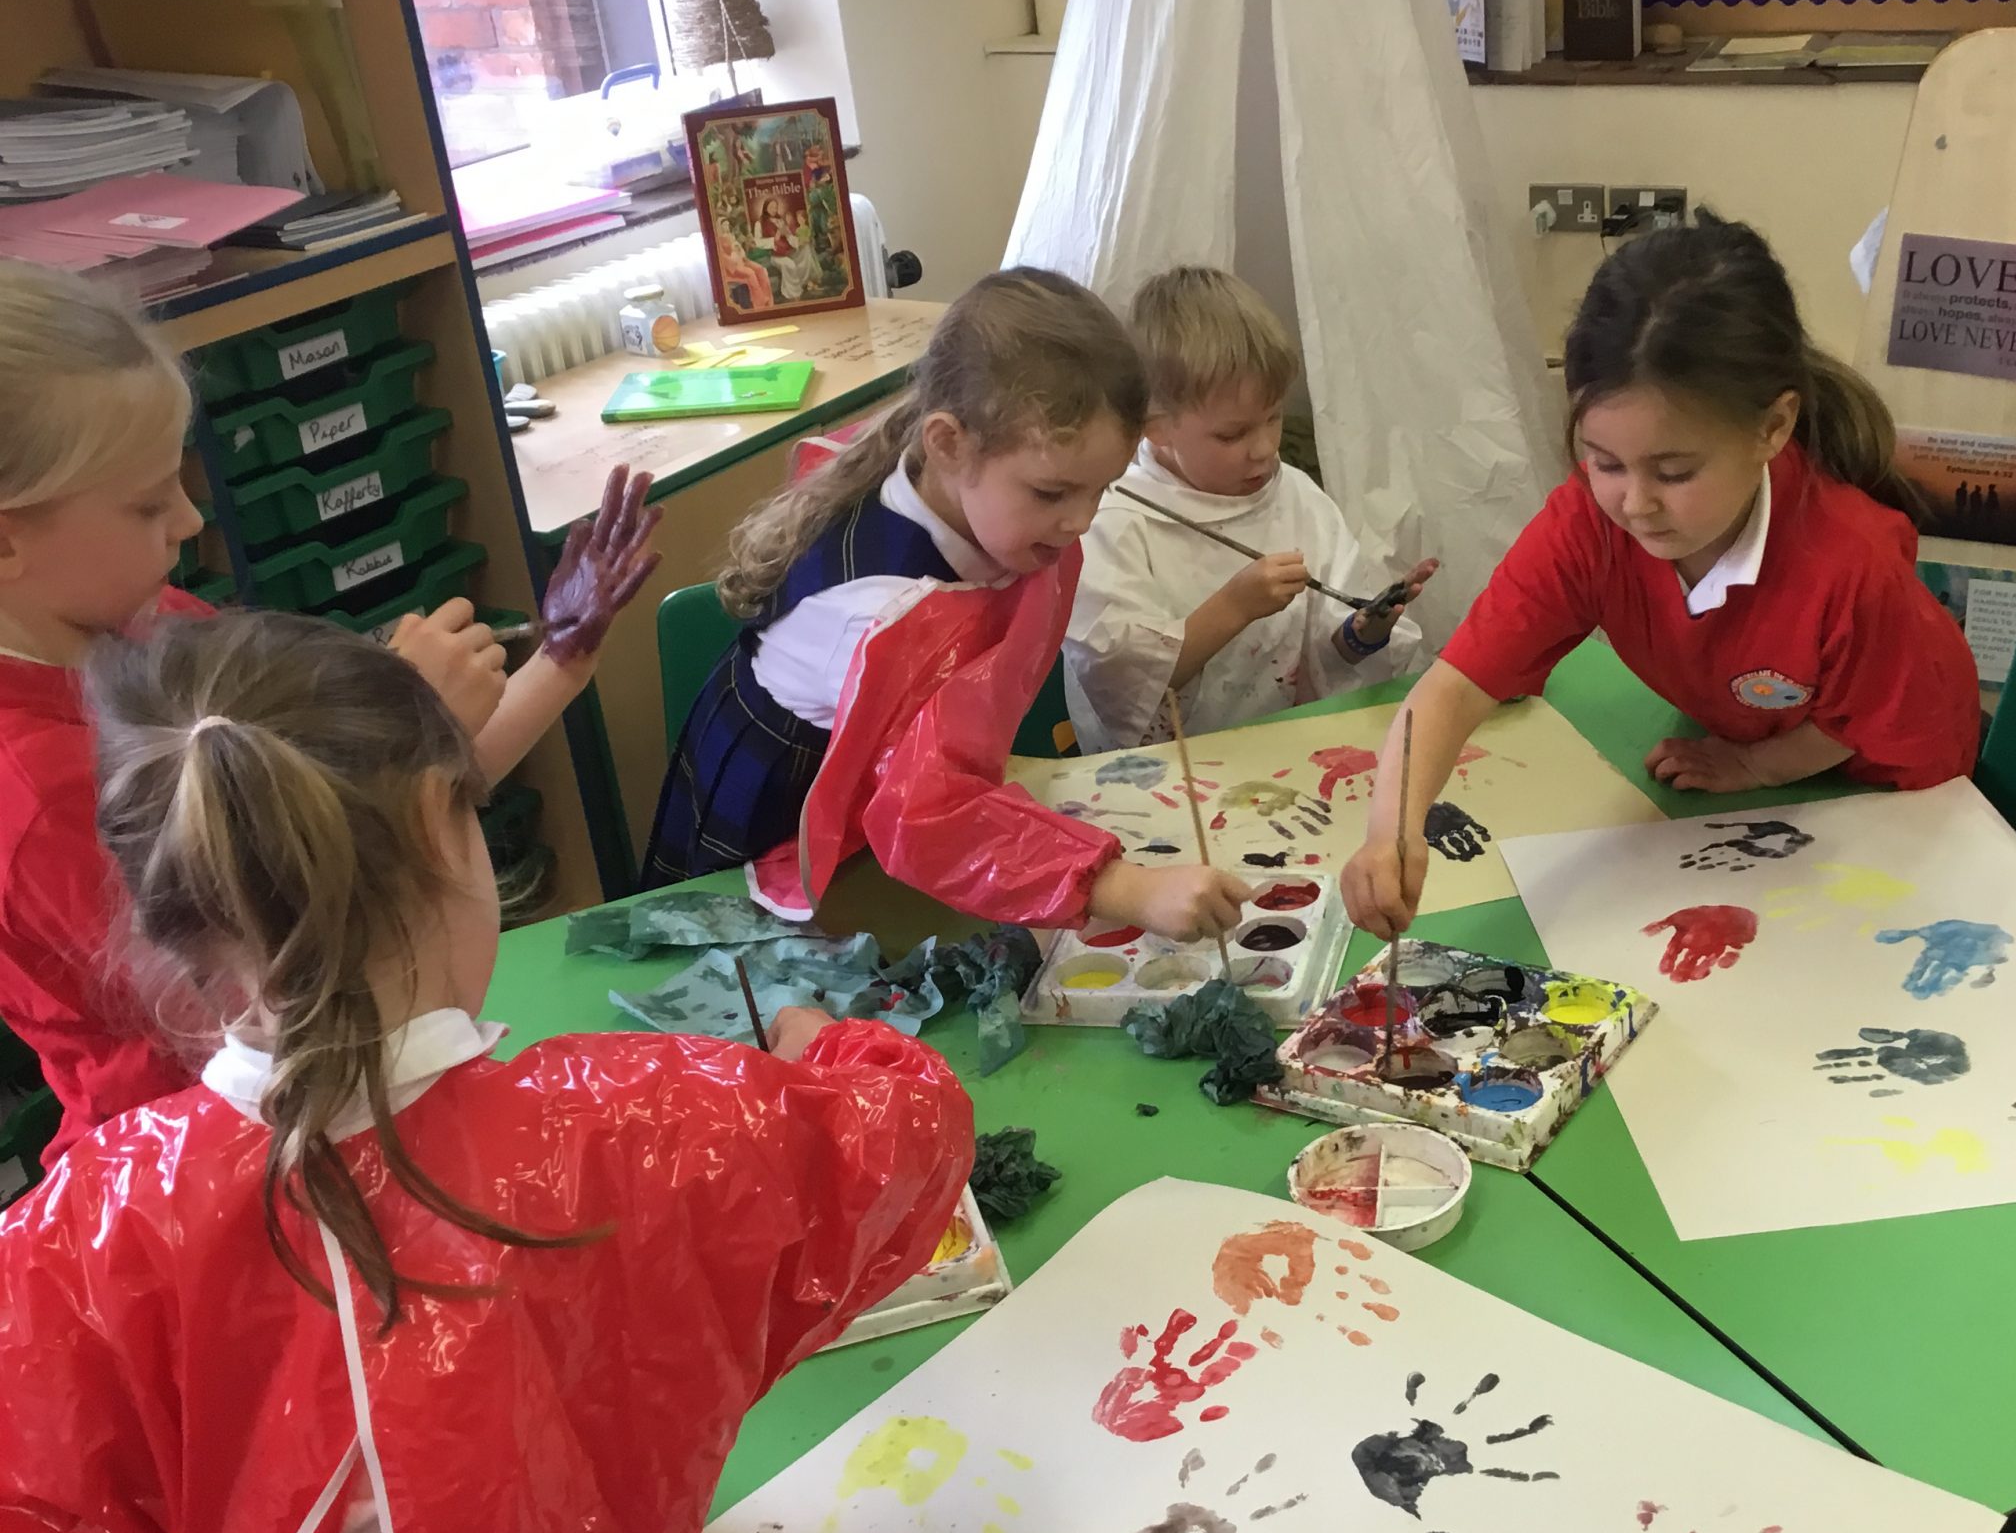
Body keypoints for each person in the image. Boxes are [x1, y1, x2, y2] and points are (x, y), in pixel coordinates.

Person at [0, 610, 974, 1533]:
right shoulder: (634, 1127)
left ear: (174, 913)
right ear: (439, 819)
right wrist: (835, 1048)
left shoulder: (98, 1210)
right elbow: (906, 1143)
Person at [0, 261, 663, 1168]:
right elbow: (272, 996)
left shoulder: (162, 627)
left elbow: (399, 815)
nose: (190, 521)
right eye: (149, 504)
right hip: (218, 1162)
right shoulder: (34, 800)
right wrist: (398, 728)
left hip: (329, 1101)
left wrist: (561, 661)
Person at [1342, 214, 1980, 935]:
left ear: (1772, 428)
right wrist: (1392, 828)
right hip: (1753, 750)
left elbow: (1867, 725)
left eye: (1673, 472)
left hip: (1890, 786)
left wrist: (1759, 767)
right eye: (1605, 462)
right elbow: (1456, 686)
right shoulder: (1588, 526)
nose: (1635, 504)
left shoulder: (1850, 565)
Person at [645, 266, 1246, 939]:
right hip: (776, 839)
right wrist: (1124, 889)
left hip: (887, 802)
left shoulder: (963, 486)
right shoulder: (883, 617)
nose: (1082, 521)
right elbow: (928, 815)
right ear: (949, 444)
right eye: (1052, 493)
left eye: (1100, 489)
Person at [1063, 266, 1437, 752]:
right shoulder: (1115, 519)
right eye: (1232, 434)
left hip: (1284, 755)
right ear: (1156, 427)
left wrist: (1362, 633)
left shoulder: (1295, 494)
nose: (1264, 449)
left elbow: (1329, 657)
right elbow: (1120, 684)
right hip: (1167, 776)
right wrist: (1234, 606)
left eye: (1273, 417)